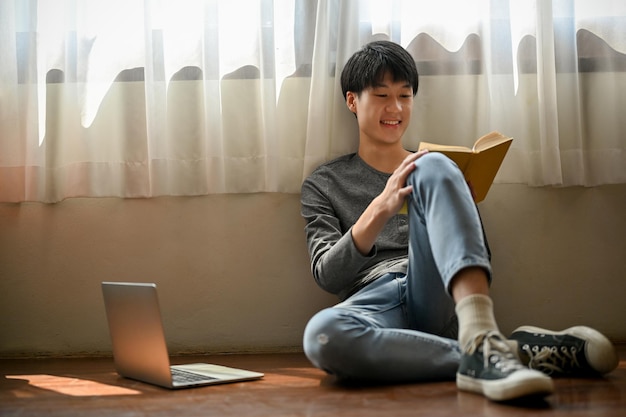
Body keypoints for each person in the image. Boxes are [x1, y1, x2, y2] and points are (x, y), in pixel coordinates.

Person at [300, 40, 618, 402]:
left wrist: (456, 198)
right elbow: (328, 274)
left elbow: (480, 257)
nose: (396, 108)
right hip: (375, 304)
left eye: (405, 96)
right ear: (352, 100)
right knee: (322, 335)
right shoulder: (323, 184)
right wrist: (380, 208)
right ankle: (503, 353)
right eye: (382, 95)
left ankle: (480, 333)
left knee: (432, 164)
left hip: (435, 292)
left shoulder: (435, 167)